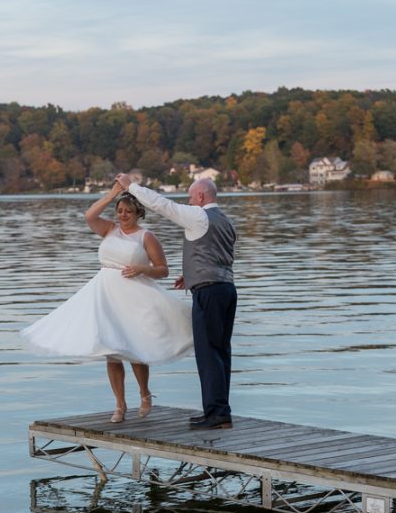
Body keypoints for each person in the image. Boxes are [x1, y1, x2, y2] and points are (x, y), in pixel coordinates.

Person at [20, 183, 193, 422]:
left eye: (128, 212)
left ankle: (144, 394)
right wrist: (112, 194)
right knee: (111, 350)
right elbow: (89, 215)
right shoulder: (109, 229)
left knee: (135, 349)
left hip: (134, 295)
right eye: (119, 210)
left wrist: (142, 269)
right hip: (105, 294)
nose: (123, 215)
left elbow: (163, 270)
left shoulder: (146, 236)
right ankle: (120, 405)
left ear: (138, 214)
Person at [116, 174, 236, 429]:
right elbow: (219, 256)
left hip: (209, 292)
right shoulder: (226, 221)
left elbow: (161, 204)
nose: (189, 201)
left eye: (191, 197)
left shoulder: (198, 215)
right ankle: (219, 411)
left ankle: (217, 414)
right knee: (221, 352)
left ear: (201, 196)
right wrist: (190, 274)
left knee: (208, 353)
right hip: (226, 289)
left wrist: (131, 187)